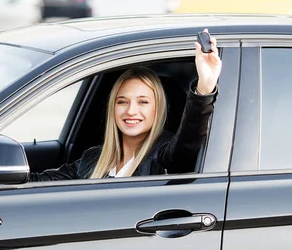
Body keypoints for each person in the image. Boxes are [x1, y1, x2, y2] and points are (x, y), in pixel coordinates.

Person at [29, 29, 222, 182]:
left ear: (158, 108)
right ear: (113, 107)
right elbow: (40, 184)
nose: (131, 111)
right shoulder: (93, 159)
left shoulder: (164, 156)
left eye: (143, 102)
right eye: (122, 102)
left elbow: (190, 138)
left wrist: (204, 87)